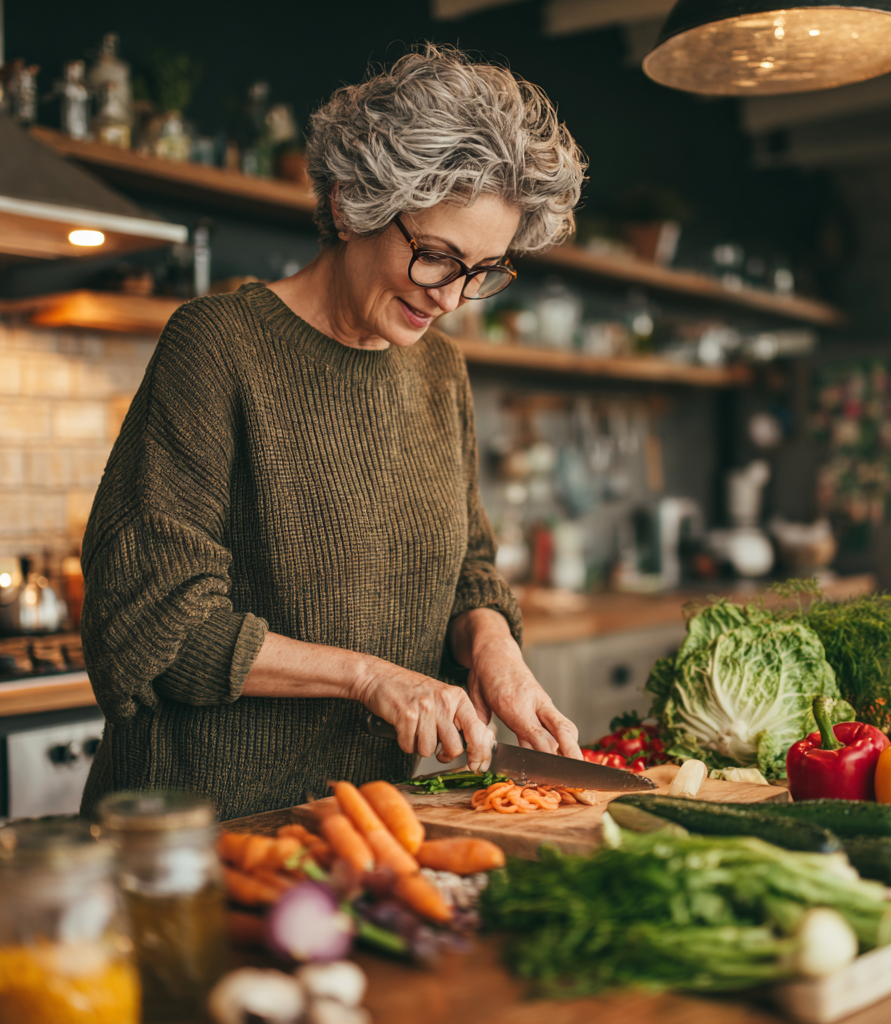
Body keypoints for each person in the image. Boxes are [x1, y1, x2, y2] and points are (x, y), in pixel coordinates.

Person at [79, 45, 587, 820]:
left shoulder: (440, 371)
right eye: (436, 258)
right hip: (198, 834)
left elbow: (467, 565)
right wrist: (370, 677)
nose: (452, 298)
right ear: (353, 203)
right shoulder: (218, 346)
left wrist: (495, 647)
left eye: (482, 270)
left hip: (365, 823)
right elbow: (156, 623)